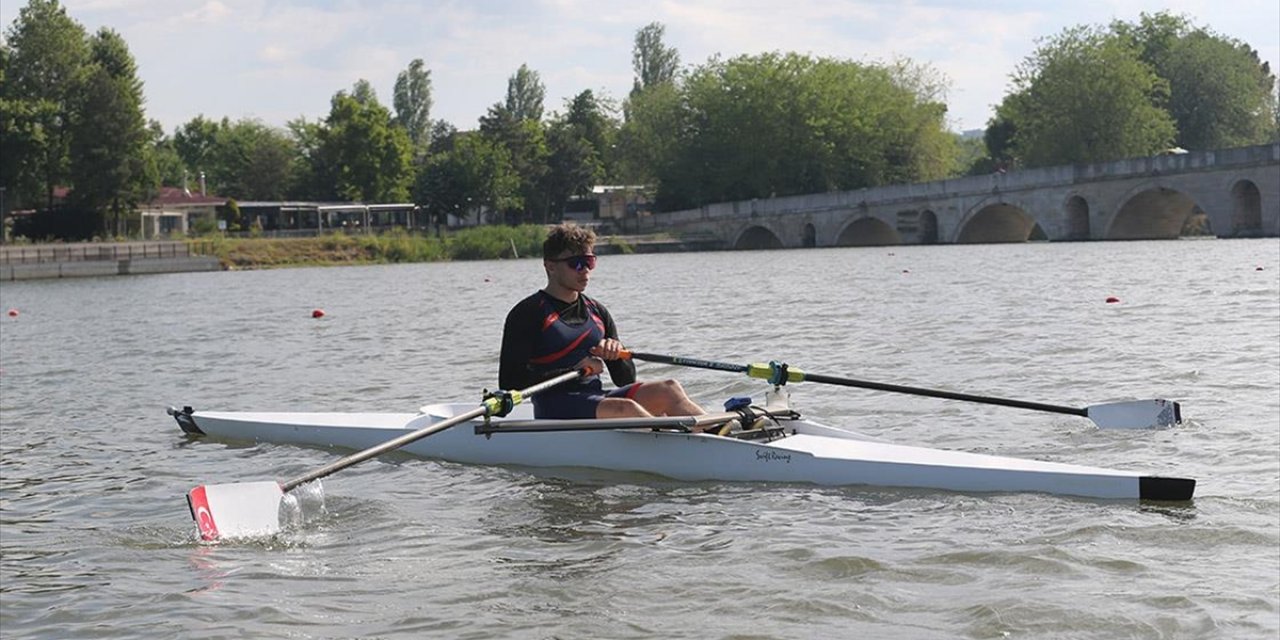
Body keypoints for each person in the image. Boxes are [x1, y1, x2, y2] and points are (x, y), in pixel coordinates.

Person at [499, 223, 707, 420]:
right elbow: (510, 382)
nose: (585, 270)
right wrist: (574, 372)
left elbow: (625, 380)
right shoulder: (528, 313)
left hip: (594, 400)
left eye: (589, 262)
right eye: (576, 264)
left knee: (669, 389)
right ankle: (679, 444)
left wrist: (616, 355)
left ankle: (719, 432)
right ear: (550, 266)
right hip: (554, 406)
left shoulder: (597, 311)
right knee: (626, 408)